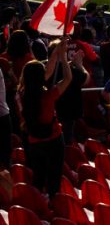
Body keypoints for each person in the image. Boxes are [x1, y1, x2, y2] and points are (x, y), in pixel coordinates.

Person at [21, 49, 72, 196]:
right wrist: (62, 57)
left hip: (33, 142)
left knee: (38, 177)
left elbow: (43, 74)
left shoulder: (21, 94)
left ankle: (40, 208)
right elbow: (68, 78)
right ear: (41, 78)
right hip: (54, 141)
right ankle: (53, 205)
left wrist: (56, 53)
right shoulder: (48, 96)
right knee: (54, 178)